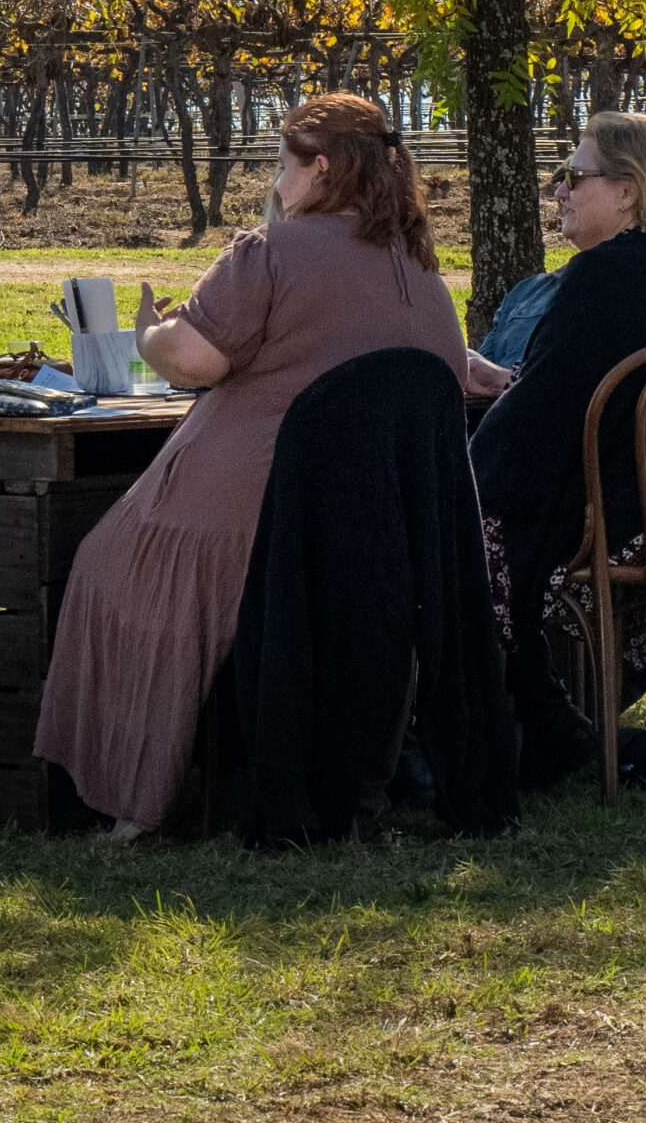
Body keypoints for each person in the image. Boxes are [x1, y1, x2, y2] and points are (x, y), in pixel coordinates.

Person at [35, 93, 500, 839]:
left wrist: (149, 332)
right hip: (374, 523)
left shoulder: (271, 252)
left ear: (318, 169)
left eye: (283, 168)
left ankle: (128, 794)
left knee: (104, 563)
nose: (277, 184)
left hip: (252, 506)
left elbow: (191, 362)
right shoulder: (415, 267)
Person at [470, 109, 646, 786]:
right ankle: (550, 718)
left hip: (624, 523)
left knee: (466, 519)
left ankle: (527, 722)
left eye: (574, 176)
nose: (560, 191)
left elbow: (537, 423)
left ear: (627, 190)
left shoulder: (601, 278)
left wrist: (465, 464)